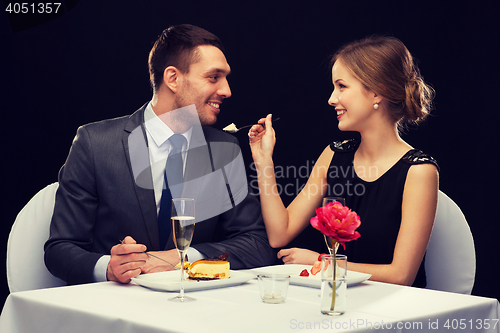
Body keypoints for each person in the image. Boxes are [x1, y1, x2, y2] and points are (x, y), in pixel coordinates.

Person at [44, 24, 276, 285]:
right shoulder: (94, 143)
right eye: (214, 77)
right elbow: (60, 249)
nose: (226, 90)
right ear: (173, 78)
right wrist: (109, 267)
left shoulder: (225, 149)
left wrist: (183, 259)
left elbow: (256, 243)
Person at [249, 36, 439, 287]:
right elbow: (279, 234)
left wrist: (321, 260)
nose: (331, 98)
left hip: (392, 311)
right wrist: (264, 162)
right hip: (333, 299)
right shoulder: (333, 155)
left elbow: (401, 276)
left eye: (341, 86)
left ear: (376, 91)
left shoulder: (419, 171)